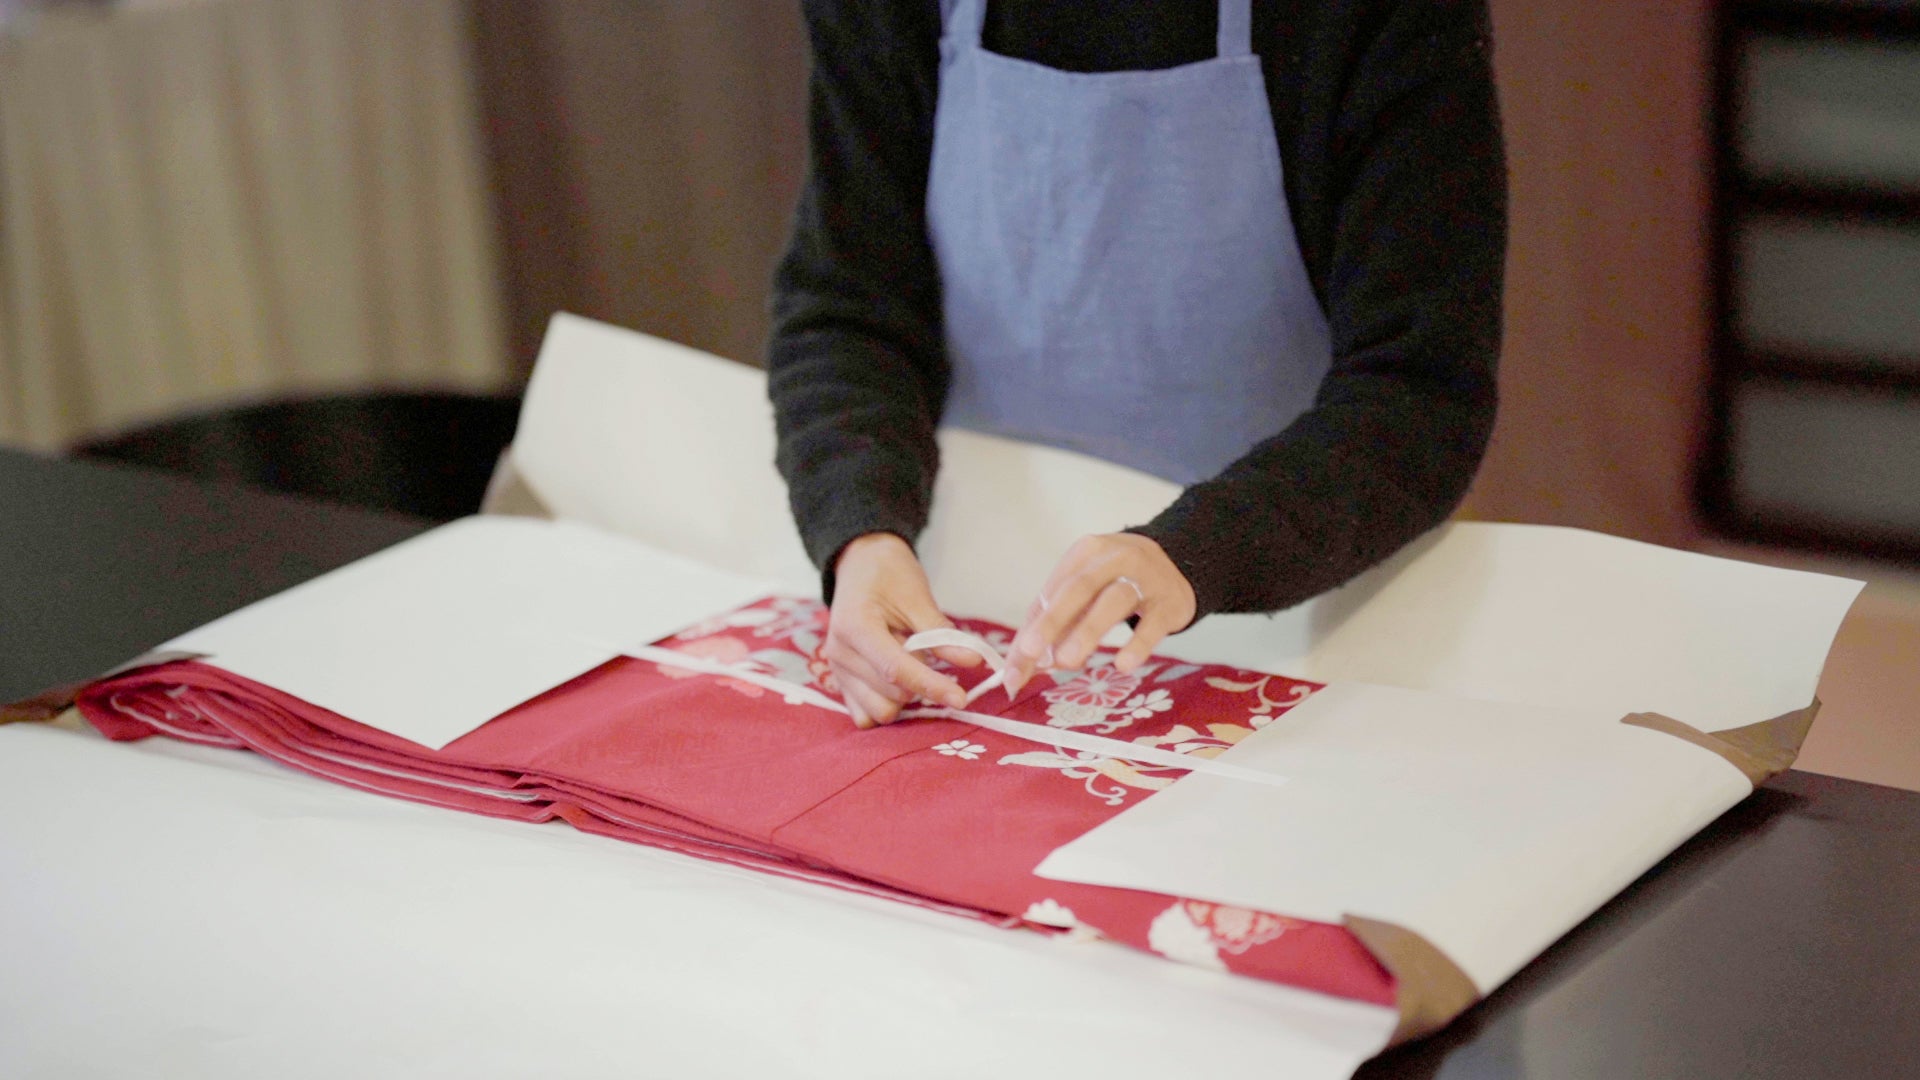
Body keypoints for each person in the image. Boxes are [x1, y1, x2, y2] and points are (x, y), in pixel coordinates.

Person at [768, 0, 1505, 727]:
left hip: (1312, 579)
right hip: (964, 578)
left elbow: (1421, 391)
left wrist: (1198, 551)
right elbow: (849, 305)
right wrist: (862, 534)